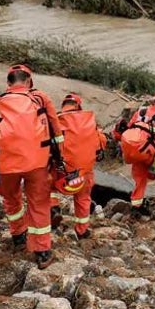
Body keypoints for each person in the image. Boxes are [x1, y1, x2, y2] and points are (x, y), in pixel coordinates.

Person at [0, 64, 62, 268]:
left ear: (8, 84)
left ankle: (19, 236)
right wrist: (60, 161)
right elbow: (57, 132)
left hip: (6, 165)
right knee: (39, 203)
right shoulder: (41, 99)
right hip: (37, 162)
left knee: (11, 200)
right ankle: (43, 252)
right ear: (29, 82)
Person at [114, 91, 155, 212]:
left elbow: (129, 128)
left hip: (135, 150)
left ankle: (136, 206)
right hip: (149, 152)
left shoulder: (140, 112)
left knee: (140, 178)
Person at [53, 93, 106, 240]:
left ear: (64, 105)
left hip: (61, 172)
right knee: (83, 198)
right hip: (83, 173)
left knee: (46, 187)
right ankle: (82, 230)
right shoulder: (90, 122)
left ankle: (52, 207)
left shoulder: (56, 120)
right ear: (78, 106)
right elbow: (101, 143)